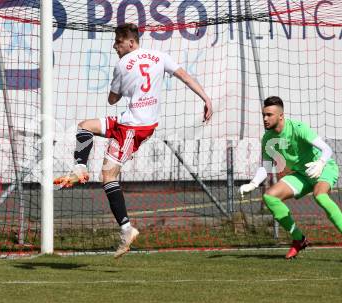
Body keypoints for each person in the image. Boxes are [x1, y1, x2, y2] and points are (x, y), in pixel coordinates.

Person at [54, 23, 213, 258]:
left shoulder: (122, 65)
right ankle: (79, 167)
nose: (115, 47)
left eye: (118, 42)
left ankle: (127, 230)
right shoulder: (160, 56)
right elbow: (185, 77)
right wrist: (207, 99)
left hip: (133, 128)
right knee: (85, 126)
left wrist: (120, 85)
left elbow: (111, 99)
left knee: (108, 176)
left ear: (130, 42)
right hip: (129, 121)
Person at [240, 96, 342, 259]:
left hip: (323, 169)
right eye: (264, 115)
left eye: (269, 115)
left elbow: (327, 149)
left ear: (281, 115)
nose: (265, 119)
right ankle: (299, 239)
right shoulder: (268, 138)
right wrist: (252, 184)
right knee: (270, 197)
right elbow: (266, 167)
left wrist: (321, 163)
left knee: (320, 196)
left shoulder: (298, 128)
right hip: (302, 175)